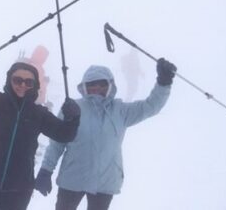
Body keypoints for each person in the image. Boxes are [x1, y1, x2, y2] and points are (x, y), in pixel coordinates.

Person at [34, 58, 176, 210]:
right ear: (84, 86)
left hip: (105, 182)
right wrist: (46, 170)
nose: (96, 87)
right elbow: (57, 144)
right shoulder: (72, 108)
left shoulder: (121, 110)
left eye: (101, 83)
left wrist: (163, 83)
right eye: (91, 84)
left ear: (110, 85)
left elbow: (150, 106)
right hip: (72, 179)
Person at [0, 61, 81, 210]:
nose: (22, 85)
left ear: (35, 85)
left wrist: (73, 118)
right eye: (17, 80)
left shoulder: (39, 113)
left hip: (18, 188)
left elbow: (64, 135)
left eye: (28, 82)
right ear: (9, 80)